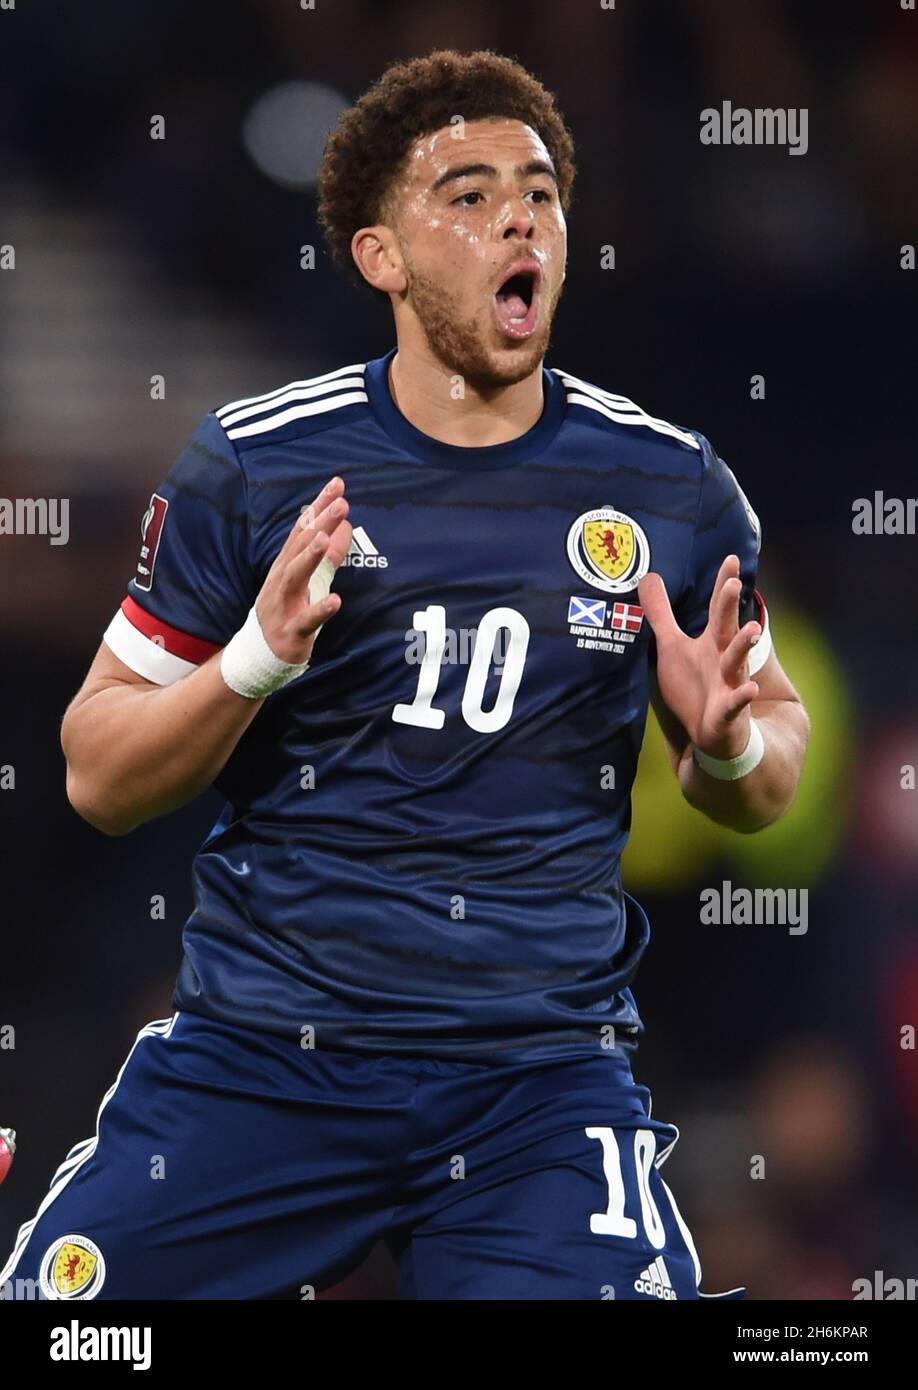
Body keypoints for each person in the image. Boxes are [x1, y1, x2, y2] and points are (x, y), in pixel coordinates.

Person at [2, 49, 809, 1301]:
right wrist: (256, 664)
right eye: (470, 195)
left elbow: (767, 781)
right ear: (382, 257)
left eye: (538, 193)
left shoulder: (672, 488)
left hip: (536, 1082)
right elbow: (98, 774)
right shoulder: (257, 467)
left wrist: (731, 745)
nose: (518, 220)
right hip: (266, 1060)